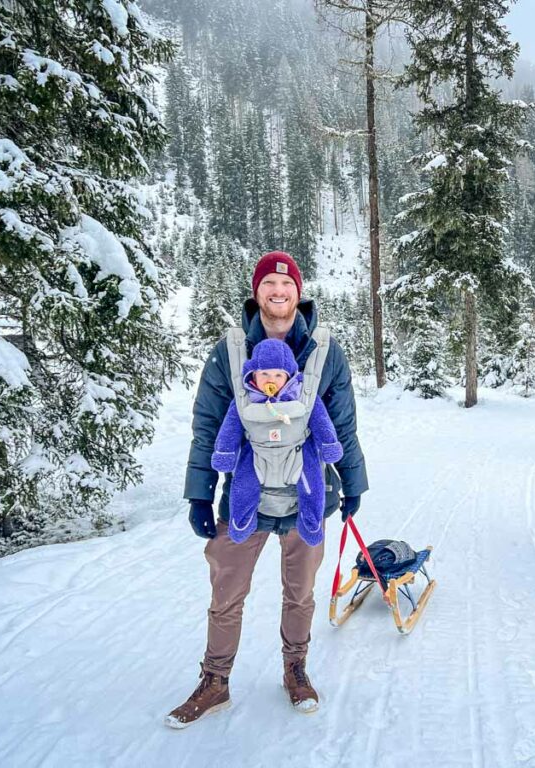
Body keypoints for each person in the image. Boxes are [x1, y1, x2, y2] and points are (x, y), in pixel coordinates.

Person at [166, 251, 368, 728]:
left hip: (307, 498)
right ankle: (215, 681)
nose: (278, 292)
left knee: (300, 593)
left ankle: (295, 669)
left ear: (299, 292)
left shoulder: (324, 349)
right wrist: (199, 491)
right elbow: (208, 425)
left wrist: (354, 482)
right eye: (269, 285)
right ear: (256, 293)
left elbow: (342, 423)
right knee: (226, 590)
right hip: (243, 497)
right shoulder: (230, 351)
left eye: (287, 284)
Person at [210, 337, 343, 545]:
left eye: (278, 374)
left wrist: (329, 444)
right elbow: (230, 427)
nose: (270, 379)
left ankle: (311, 523)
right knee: (243, 484)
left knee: (312, 483)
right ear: (253, 374)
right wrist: (224, 452)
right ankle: (241, 522)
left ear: (289, 376)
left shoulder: (303, 397)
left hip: (297, 451)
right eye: (264, 373)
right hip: (257, 452)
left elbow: (321, 420)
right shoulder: (245, 399)